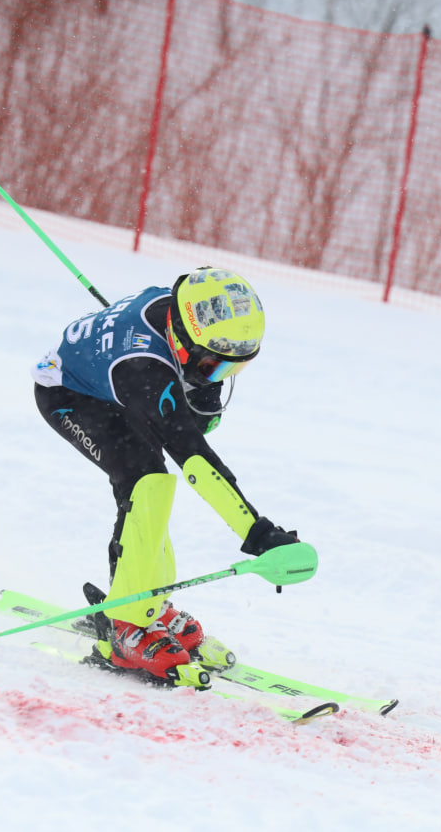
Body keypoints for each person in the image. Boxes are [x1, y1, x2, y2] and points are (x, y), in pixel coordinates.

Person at [31, 266, 300, 682]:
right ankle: (126, 624)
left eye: (230, 370)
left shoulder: (182, 315)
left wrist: (198, 378)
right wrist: (259, 533)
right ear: (182, 340)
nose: (216, 379)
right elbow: (194, 458)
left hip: (117, 381)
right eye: (212, 366)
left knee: (154, 488)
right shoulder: (143, 371)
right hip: (69, 394)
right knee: (144, 479)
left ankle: (149, 603)